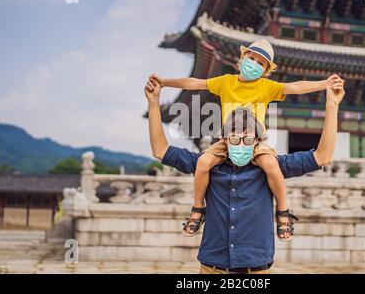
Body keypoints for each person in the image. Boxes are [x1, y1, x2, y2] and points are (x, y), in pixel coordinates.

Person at [146, 38, 344, 241]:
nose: (254, 64)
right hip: (227, 139)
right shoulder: (225, 82)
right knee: (204, 163)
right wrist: (166, 82)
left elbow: (295, 87)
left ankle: (283, 212)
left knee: (271, 165)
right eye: (252, 58)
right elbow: (195, 83)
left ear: (266, 70)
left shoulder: (267, 86)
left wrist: (324, 84)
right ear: (242, 58)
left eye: (261, 63)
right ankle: (198, 208)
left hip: (256, 141)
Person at [145, 78, 345, 274]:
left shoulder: (272, 166)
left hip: (256, 270)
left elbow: (322, 157)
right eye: (234, 138)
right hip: (212, 268)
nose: (241, 144)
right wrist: (153, 102)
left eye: (248, 138)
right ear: (224, 139)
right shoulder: (207, 165)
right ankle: (198, 210)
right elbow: (160, 150)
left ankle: (283, 214)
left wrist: (332, 105)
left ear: (258, 140)